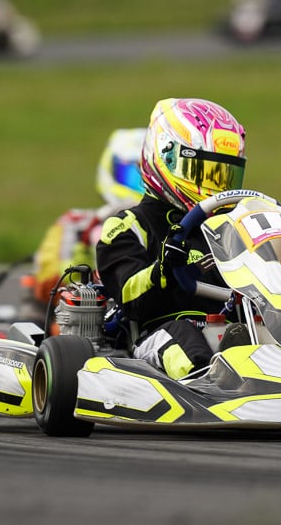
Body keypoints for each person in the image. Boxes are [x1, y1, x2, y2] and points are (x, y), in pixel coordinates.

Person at [96, 98, 248, 380]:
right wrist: (163, 269)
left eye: (224, 176)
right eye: (203, 173)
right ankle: (210, 383)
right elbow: (129, 297)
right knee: (183, 338)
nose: (216, 188)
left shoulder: (232, 227)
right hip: (155, 333)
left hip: (227, 326)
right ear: (165, 157)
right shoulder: (128, 226)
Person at [17, 128, 147, 321]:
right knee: (34, 320)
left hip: (149, 313)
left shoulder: (180, 226)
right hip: (81, 324)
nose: (142, 187)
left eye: (146, 178)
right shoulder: (78, 225)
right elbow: (48, 283)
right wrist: (84, 259)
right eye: (134, 178)